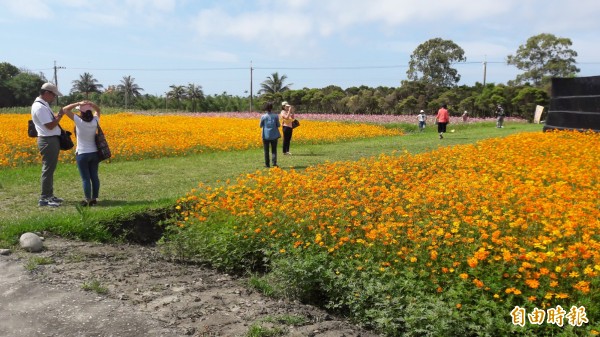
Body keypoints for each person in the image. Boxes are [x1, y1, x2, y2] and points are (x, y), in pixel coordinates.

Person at [62, 100, 102, 206]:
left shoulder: (79, 121)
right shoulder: (95, 121)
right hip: (94, 153)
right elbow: (98, 110)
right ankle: (94, 199)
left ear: (81, 112)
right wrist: (92, 105)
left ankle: (87, 199)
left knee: (85, 178)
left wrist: (78, 103)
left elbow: (65, 109)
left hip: (82, 154)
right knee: (94, 176)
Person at [31, 82, 65, 207]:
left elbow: (49, 122)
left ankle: (49, 195)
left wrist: (57, 116)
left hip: (50, 139)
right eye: (53, 95)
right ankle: (44, 198)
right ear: (46, 93)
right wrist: (60, 115)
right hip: (48, 140)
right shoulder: (39, 107)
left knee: (50, 169)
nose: (54, 98)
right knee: (48, 169)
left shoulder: (43, 105)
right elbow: (50, 126)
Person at [259, 101, 281, 168]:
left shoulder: (263, 116)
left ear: (265, 109)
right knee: (274, 150)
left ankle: (267, 164)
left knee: (266, 151)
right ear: (272, 108)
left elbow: (260, 125)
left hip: (266, 136)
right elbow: (278, 125)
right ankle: (274, 163)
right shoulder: (275, 116)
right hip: (274, 135)